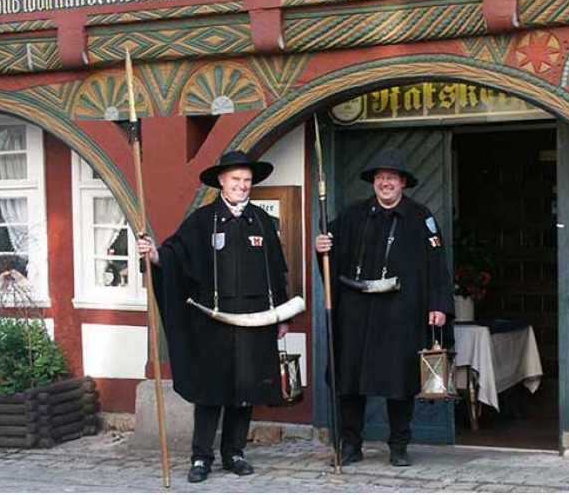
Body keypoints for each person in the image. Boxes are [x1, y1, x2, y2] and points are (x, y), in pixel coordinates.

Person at [138, 150, 290, 483]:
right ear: (221, 181)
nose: (242, 186)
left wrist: (281, 315)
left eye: (247, 180)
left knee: (245, 389)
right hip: (212, 323)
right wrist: (155, 255)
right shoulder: (202, 220)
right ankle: (200, 457)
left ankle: (234, 452)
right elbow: (176, 256)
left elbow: (278, 273)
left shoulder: (264, 223)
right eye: (236, 179)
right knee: (211, 391)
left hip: (254, 320)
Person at [315, 148, 454, 467]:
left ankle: (399, 445)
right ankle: (350, 445)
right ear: (373, 183)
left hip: (400, 313)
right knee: (349, 381)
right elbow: (329, 252)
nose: (385, 183)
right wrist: (322, 247)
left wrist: (439, 303)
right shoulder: (352, 215)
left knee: (399, 382)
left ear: (403, 182)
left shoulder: (422, 218)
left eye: (391, 177)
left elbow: (437, 264)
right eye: (380, 178)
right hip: (355, 313)